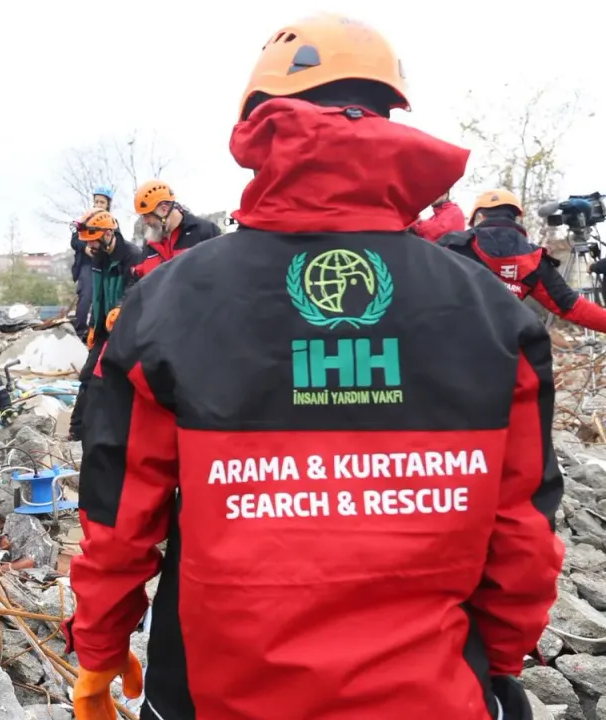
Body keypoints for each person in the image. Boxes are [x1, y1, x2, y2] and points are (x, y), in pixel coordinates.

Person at [66, 13, 562, 720]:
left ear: (258, 121)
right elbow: (524, 531)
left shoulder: (169, 301)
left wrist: (100, 646)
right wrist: (501, 662)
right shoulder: (491, 312)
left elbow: (119, 521)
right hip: (431, 696)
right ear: (392, 115)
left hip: (213, 697)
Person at [440, 190, 606, 334]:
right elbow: (573, 307)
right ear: (515, 219)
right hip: (501, 350)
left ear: (480, 217)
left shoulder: (453, 246)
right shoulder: (535, 260)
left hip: (447, 346)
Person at [67, 209, 140, 442]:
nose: (90, 246)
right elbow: (96, 296)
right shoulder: (97, 257)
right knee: (88, 377)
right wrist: (92, 326)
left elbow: (135, 288)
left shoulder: (132, 256)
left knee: (121, 381)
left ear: (107, 233)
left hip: (125, 330)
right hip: (102, 330)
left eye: (93, 240)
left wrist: (121, 307)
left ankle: (122, 431)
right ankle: (77, 430)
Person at [132, 179, 222, 279]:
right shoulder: (149, 246)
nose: (145, 221)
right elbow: (137, 284)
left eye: (147, 216)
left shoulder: (205, 232)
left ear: (164, 209)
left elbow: (222, 276)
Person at [72, 186, 122, 339]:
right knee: (87, 295)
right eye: (96, 202)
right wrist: (85, 248)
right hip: (88, 264)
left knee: (107, 296)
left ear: (108, 204)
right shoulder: (86, 219)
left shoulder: (112, 222)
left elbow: (118, 241)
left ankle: (106, 329)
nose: (99, 205)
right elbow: (75, 241)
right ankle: (81, 332)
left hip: (105, 264)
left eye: (102, 202)